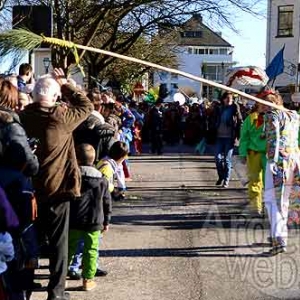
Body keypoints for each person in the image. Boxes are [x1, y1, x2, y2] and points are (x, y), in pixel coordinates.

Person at [20, 68, 93, 300]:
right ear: (54, 97)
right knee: (59, 244)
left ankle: (25, 289)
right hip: (58, 189)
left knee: (29, 242)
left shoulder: (22, 117)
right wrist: (66, 85)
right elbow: (86, 107)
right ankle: (56, 292)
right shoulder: (60, 118)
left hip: (29, 191)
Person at [259, 90, 300, 255]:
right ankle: (280, 236)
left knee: (272, 201)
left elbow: (271, 138)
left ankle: (279, 239)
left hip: (278, 163)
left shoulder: (271, 116)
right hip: (294, 160)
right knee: (284, 201)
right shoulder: (293, 115)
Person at [68, 144, 112, 291]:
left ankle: (62, 277)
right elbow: (107, 202)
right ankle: (88, 279)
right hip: (94, 220)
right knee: (91, 250)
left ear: (77, 159)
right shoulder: (102, 180)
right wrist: (107, 221)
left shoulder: (72, 177)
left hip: (73, 220)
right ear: (94, 159)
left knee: (68, 249)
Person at [239, 103, 266, 216]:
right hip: (253, 154)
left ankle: (271, 207)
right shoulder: (250, 119)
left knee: (272, 182)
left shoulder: (278, 118)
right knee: (254, 181)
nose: (266, 106)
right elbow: (244, 137)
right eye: (263, 103)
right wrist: (243, 153)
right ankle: (256, 207)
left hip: (271, 155)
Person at [213, 92, 243, 188]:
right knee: (217, 158)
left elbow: (240, 121)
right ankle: (221, 176)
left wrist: (239, 135)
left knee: (227, 160)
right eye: (227, 98)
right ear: (223, 99)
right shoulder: (219, 108)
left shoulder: (235, 109)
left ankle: (226, 180)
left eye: (231, 99)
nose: (229, 100)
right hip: (218, 137)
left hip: (229, 138)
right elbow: (213, 119)